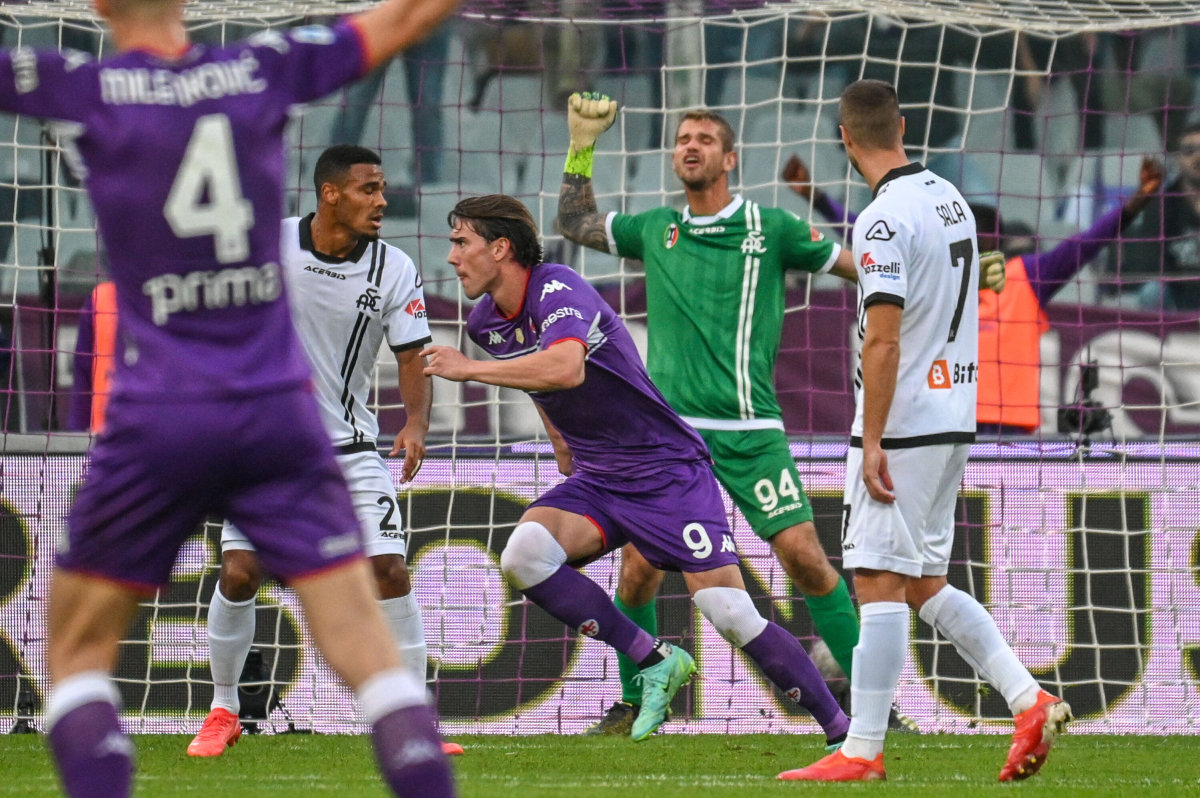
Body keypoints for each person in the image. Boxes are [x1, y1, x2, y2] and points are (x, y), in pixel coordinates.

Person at [4, 1, 460, 796]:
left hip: (160, 409)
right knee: (363, 649)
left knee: (75, 650)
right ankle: (377, 743)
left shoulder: (83, 86)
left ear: (101, 6)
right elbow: (404, 19)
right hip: (274, 412)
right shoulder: (257, 71)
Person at [423, 194, 851, 748]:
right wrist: (559, 438)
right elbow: (536, 379)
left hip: (665, 471)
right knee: (523, 555)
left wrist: (469, 370)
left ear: (500, 248)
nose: (453, 257)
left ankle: (842, 732)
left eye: (462, 242)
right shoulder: (487, 322)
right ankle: (654, 659)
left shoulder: (558, 288)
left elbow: (565, 367)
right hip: (600, 478)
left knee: (729, 612)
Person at [555, 96, 896, 735]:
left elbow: (867, 272)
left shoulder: (774, 227)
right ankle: (635, 699)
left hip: (750, 431)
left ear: (730, 159)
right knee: (639, 569)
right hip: (668, 436)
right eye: (683, 138)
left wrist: (944, 281)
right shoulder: (656, 228)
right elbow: (574, 221)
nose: (691, 146)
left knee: (805, 557)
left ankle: (876, 708)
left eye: (705, 139)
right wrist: (581, 145)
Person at [777, 79, 1072, 783]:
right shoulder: (950, 199)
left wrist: (873, 439)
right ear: (902, 127)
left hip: (905, 424)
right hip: (955, 416)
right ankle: (1028, 700)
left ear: (845, 139)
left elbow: (883, 338)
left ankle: (862, 749)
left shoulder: (881, 220)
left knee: (877, 580)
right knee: (924, 582)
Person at [186, 144, 460, 758]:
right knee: (239, 571)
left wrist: (416, 423)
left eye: (383, 189)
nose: (382, 200)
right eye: (369, 189)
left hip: (352, 448)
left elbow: (411, 354)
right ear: (330, 194)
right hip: (267, 451)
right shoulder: (270, 246)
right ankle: (224, 709)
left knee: (389, 572)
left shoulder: (393, 267)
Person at [782, 152, 1163, 433]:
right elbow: (870, 238)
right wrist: (817, 198)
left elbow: (1085, 245)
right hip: (948, 420)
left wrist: (1134, 205)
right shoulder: (938, 271)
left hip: (998, 425)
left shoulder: (1018, 275)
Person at [1116, 121, 1200, 313]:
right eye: (1189, 151)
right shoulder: (1161, 205)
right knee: (1152, 291)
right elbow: (1151, 263)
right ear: (1177, 159)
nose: (1197, 157)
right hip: (1177, 294)